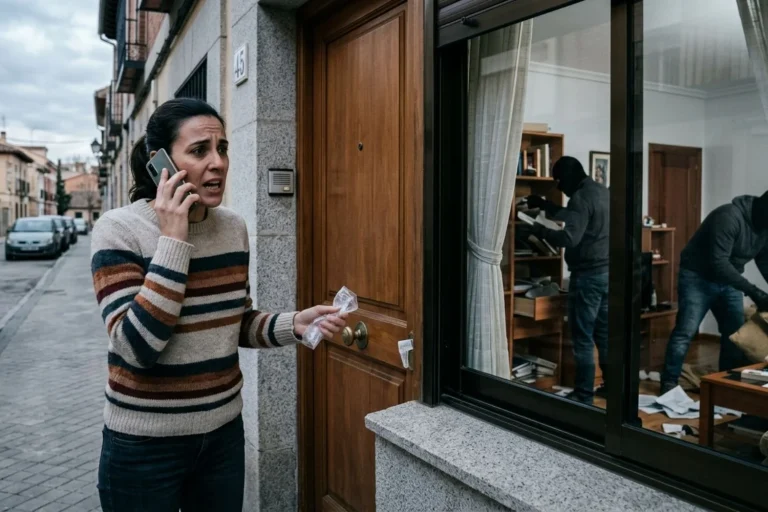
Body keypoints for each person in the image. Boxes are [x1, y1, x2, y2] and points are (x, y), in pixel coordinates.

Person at [91, 98, 347, 511]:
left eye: (222, 148)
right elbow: (135, 348)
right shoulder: (119, 230)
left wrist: (294, 323)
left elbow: (234, 321)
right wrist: (174, 240)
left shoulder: (232, 228)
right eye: (199, 151)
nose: (218, 163)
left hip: (222, 438)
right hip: (143, 446)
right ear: (161, 163)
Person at [659, 192, 768, 395]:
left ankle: (724, 387)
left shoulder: (764, 227)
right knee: (686, 331)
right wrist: (755, 292)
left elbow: (764, 260)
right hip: (697, 277)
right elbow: (719, 264)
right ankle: (668, 385)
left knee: (734, 335)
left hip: (730, 280)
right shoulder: (728, 217)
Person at [525, 156, 610, 404]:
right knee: (603, 335)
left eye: (559, 182)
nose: (559, 188)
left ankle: (583, 395)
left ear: (568, 178)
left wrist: (538, 229)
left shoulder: (580, 198)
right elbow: (576, 216)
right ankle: (610, 387)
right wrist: (547, 206)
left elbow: (570, 238)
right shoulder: (601, 191)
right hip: (607, 274)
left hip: (588, 277)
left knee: (582, 337)